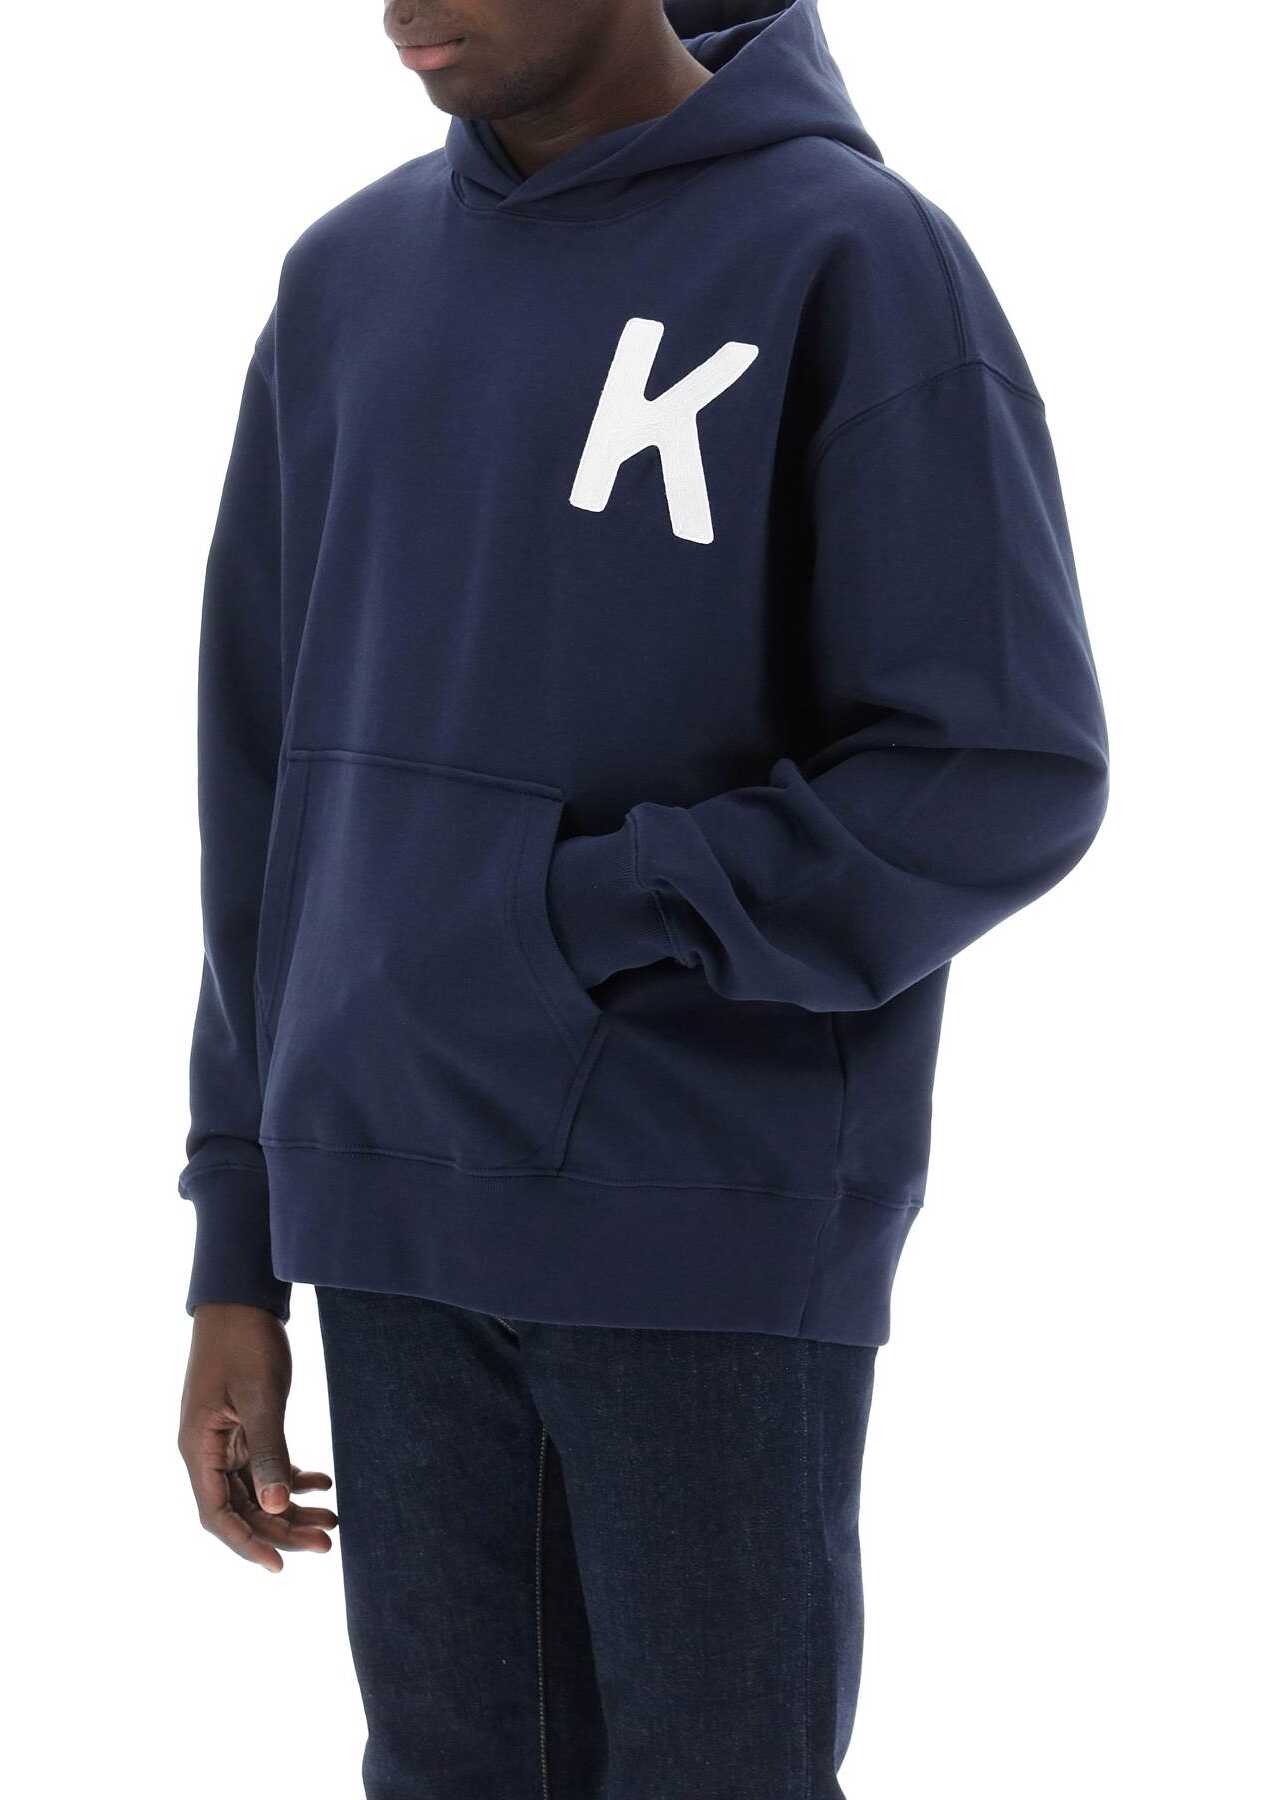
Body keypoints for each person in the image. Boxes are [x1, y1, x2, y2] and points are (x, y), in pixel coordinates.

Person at [176, 3, 1108, 1794]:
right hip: (384, 1223)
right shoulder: (346, 279)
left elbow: (997, 765)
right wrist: (240, 1250)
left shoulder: (848, 255)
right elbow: (262, 796)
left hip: (697, 1210)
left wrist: (572, 919)